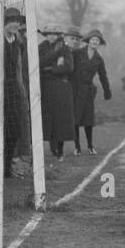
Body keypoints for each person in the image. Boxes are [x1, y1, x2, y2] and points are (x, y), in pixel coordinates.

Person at [38, 25, 76, 164]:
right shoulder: (41, 47)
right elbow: (39, 63)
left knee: (61, 119)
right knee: (49, 118)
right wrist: (55, 56)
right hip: (46, 87)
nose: (52, 36)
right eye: (49, 34)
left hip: (61, 87)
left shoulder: (65, 48)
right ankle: (52, 147)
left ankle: (60, 150)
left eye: (55, 34)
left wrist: (50, 69)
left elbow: (69, 67)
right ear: (46, 35)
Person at [72, 29, 112, 155]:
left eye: (97, 40)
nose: (95, 42)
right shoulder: (77, 53)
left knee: (88, 119)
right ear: (88, 41)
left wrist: (107, 91)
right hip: (75, 90)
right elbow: (68, 68)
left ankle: (90, 146)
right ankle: (77, 147)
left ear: (99, 43)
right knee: (76, 119)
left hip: (88, 91)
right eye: (93, 39)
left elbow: (103, 76)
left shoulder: (99, 59)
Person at [3, 8, 31, 175]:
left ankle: (7, 168)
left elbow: (19, 69)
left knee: (13, 130)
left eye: (17, 22)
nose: (14, 24)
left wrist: (22, 91)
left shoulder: (18, 42)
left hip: (14, 90)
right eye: (11, 21)